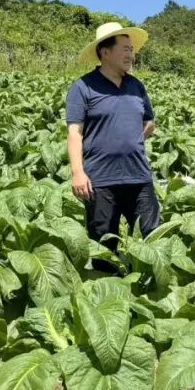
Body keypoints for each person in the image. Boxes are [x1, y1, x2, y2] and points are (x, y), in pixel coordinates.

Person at [66, 22, 161, 260]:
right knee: (103, 247)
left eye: (132, 49)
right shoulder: (83, 87)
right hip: (100, 180)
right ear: (104, 52)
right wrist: (78, 172)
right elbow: (75, 132)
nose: (131, 54)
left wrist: (132, 140)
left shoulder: (136, 86)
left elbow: (149, 122)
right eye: (125, 49)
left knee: (154, 240)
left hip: (139, 177)